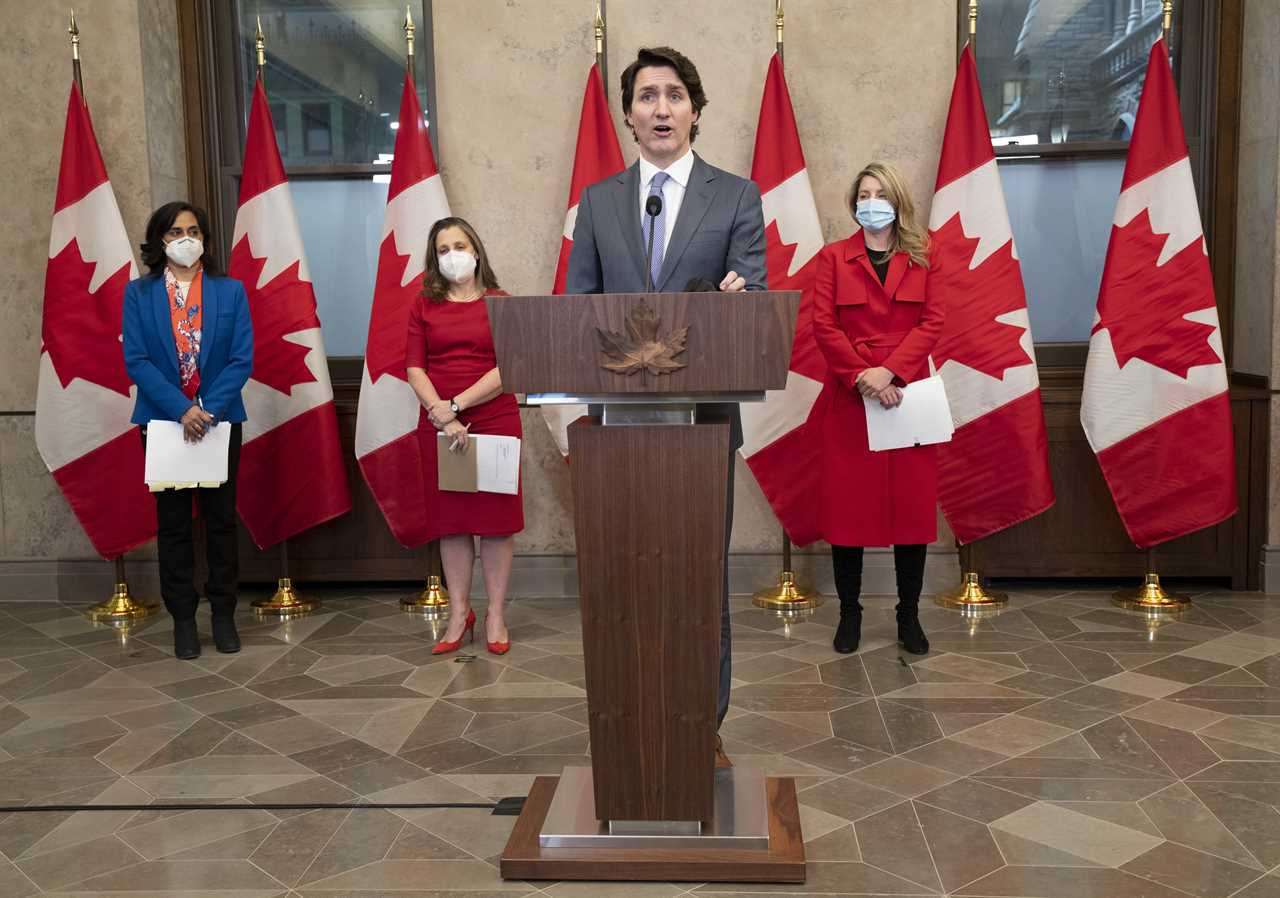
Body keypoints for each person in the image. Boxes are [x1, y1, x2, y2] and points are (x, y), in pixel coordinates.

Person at [565, 46, 766, 768]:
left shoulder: (737, 196)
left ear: (696, 112)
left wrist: (720, 309)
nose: (660, 108)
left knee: (698, 578)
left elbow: (752, 301)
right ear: (628, 115)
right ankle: (627, 716)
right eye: (646, 96)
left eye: (674, 95)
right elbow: (575, 308)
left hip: (703, 426)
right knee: (625, 576)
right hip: (616, 428)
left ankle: (703, 725)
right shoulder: (598, 201)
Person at [807, 162, 944, 657]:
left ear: (898, 200)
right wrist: (866, 375)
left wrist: (892, 372)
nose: (871, 202)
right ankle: (850, 613)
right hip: (852, 397)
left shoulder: (926, 255)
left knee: (910, 512)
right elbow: (824, 327)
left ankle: (908, 614)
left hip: (908, 397)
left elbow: (933, 322)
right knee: (850, 514)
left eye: (880, 193)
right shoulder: (832, 258)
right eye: (863, 194)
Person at [122, 202, 253, 660]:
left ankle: (223, 614)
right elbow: (135, 360)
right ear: (160, 240)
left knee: (220, 522)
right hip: (163, 423)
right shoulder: (137, 295)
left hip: (219, 422)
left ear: (205, 239)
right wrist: (181, 409)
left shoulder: (229, 290)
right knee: (173, 525)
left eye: (194, 230)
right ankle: (182, 618)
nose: (186, 238)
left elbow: (242, 359)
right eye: (176, 231)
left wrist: (209, 409)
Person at [406, 217, 523, 656]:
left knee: (495, 523)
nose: (453, 254)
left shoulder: (501, 302)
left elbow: (506, 367)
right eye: (443, 249)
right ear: (434, 260)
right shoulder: (422, 305)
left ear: (476, 250)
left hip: (492, 418)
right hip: (438, 425)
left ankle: (494, 613)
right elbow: (414, 367)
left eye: (460, 245)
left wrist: (457, 406)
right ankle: (459, 612)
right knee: (451, 524)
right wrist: (442, 413)